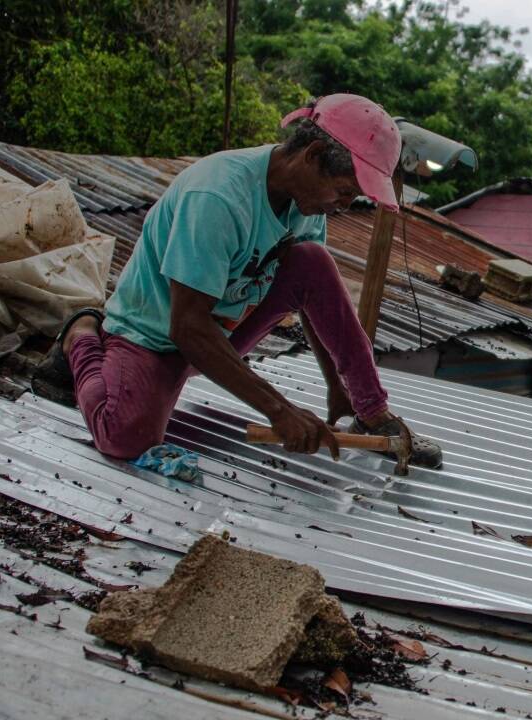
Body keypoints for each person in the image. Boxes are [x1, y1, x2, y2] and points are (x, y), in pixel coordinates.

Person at [31, 94, 443, 470]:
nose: (343, 206)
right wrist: (279, 411)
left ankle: (375, 414)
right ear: (313, 156)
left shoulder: (307, 205)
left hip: (218, 332)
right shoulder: (218, 197)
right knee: (126, 438)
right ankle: (81, 336)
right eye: (343, 192)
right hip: (155, 337)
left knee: (313, 261)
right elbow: (187, 327)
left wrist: (339, 391)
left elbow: (315, 301)